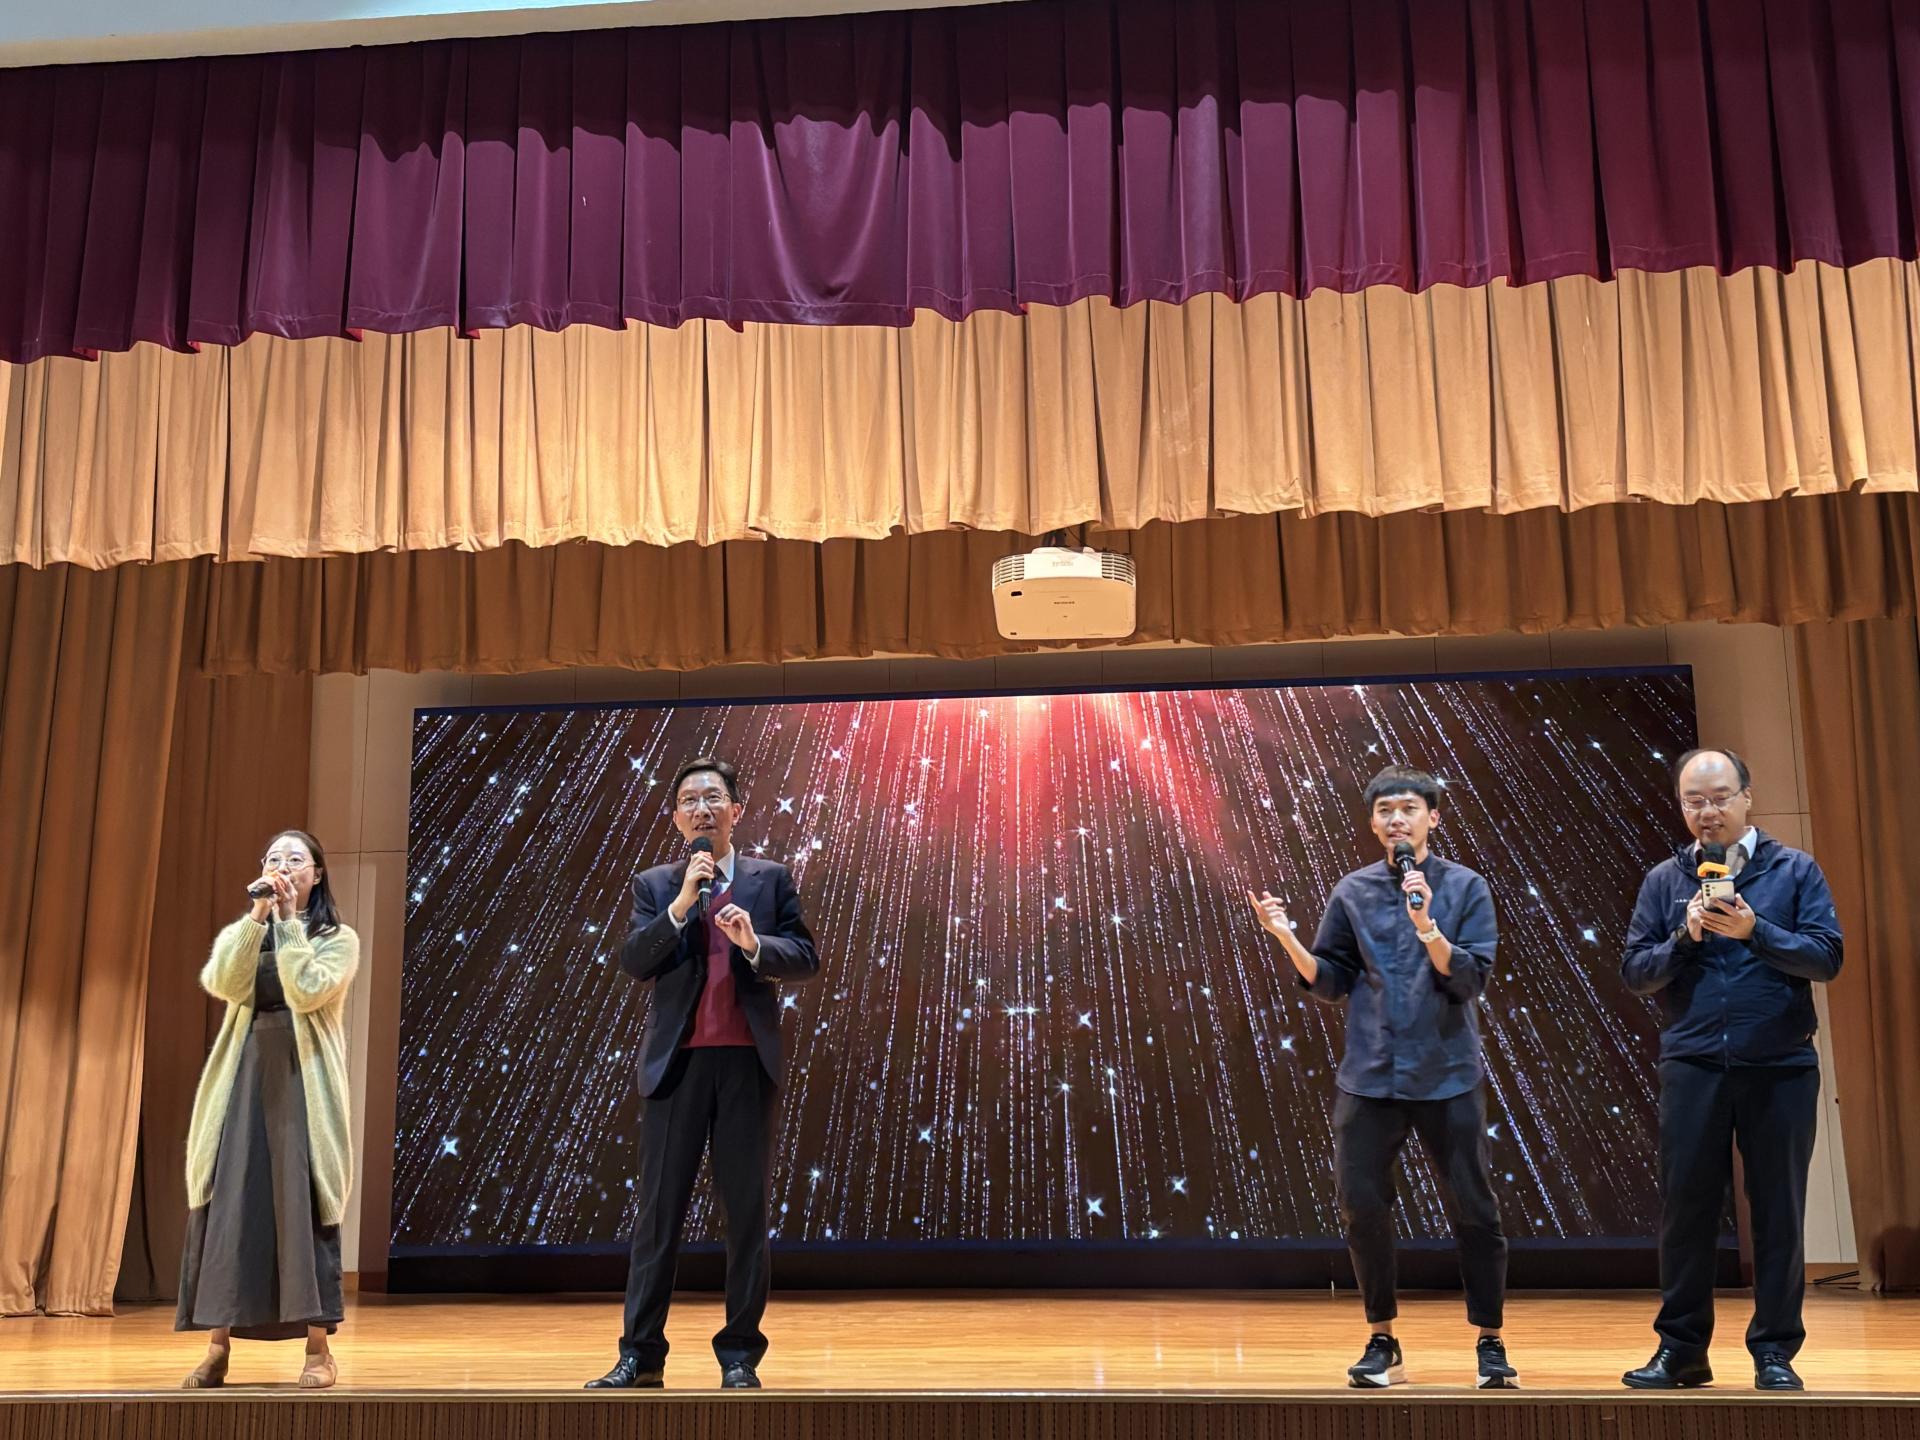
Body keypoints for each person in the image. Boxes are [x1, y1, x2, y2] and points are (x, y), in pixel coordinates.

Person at [1248, 765, 1515, 1389]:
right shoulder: (1353, 891)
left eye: (1409, 808)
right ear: (1373, 823)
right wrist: (1286, 937)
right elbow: (1331, 980)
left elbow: (1469, 979)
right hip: (1369, 1075)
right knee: (1361, 1207)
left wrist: (1427, 927)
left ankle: (1490, 1340)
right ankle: (1382, 1338)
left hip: (1447, 1073)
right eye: (1386, 811)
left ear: (1433, 818)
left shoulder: (1466, 887)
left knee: (1475, 1209)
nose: (1397, 819)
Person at [588, 756, 821, 1391]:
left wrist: (754, 944)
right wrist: (681, 906)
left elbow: (804, 956)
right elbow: (635, 960)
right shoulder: (657, 884)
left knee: (745, 1216)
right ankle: (641, 1355)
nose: (702, 809)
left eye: (713, 797)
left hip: (746, 1063)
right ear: (675, 817)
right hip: (678, 1066)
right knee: (658, 1217)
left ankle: (740, 1355)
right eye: (690, 800)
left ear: (736, 811)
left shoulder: (770, 879)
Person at [1619, 749, 1843, 1393]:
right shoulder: (1665, 880)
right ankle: (1682, 1350)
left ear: (1747, 797)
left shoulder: (1793, 869)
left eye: (1719, 798)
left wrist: (1754, 931)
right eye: (1694, 801)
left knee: (1778, 1210)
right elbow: (1636, 973)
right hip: (1693, 1065)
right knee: (1686, 1212)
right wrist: (1684, 937)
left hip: (1780, 1065)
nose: (1708, 812)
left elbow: (1826, 958)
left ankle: (1774, 1351)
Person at [177, 830, 360, 1390]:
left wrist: (287, 922)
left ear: (317, 874)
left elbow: (306, 990)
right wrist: (259, 915)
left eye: (296, 859)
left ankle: (318, 1350)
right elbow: (221, 982)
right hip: (244, 1081)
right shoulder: (247, 931)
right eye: (275, 858)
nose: (284, 867)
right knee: (231, 1208)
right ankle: (216, 1348)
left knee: (303, 1206)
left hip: (302, 1086)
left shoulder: (337, 938)